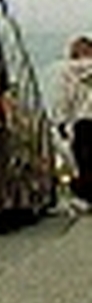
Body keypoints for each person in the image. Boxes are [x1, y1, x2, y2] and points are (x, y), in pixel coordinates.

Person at [54, 36, 92, 204]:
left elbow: (64, 98)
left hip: (83, 123)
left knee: (84, 160)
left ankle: (88, 197)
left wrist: (61, 121)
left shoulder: (68, 70)